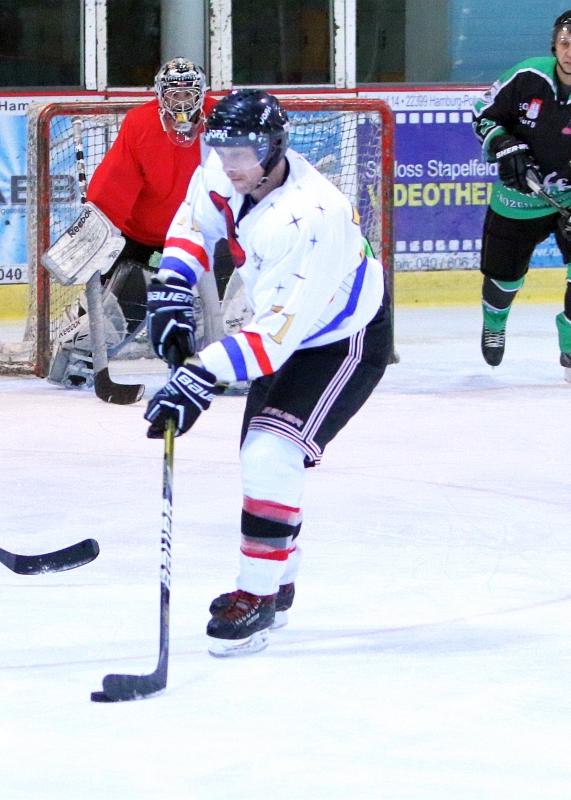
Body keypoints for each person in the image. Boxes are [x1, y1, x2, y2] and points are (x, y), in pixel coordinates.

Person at [142, 90, 392, 657]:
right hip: (283, 331)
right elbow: (193, 223)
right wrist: (173, 287)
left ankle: (256, 596)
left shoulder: (311, 215)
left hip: (340, 341)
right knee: (264, 459)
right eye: (221, 149)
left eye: (244, 152)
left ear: (275, 146)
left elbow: (276, 338)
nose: (230, 164)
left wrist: (198, 375)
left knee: (270, 454)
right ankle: (277, 583)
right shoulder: (228, 168)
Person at [473, 10, 571, 386]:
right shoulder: (527, 75)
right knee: (503, 278)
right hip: (519, 197)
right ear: (554, 44)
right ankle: (494, 323)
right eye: (565, 42)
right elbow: (483, 113)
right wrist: (503, 143)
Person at [48, 57, 217, 389]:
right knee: (122, 299)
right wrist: (98, 232)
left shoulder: (223, 119)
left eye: (189, 94)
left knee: (229, 296)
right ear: (160, 95)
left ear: (202, 94)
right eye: (174, 94)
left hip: (206, 237)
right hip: (146, 239)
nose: (182, 102)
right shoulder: (140, 124)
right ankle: (77, 352)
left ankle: (227, 356)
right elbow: (116, 183)